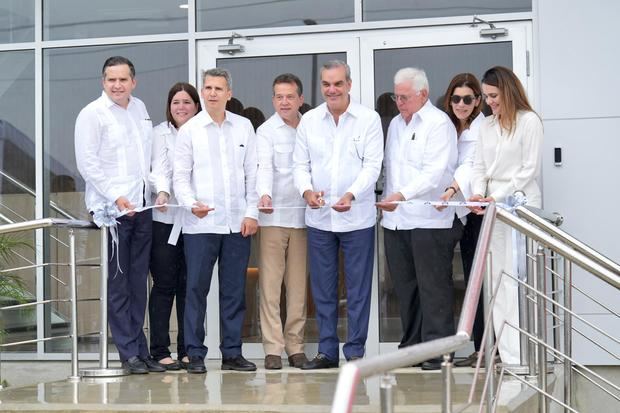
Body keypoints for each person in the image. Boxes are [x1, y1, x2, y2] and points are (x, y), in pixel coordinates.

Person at [74, 56, 164, 374]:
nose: (117, 85)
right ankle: (128, 353)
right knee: (119, 283)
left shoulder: (139, 109)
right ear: (103, 81)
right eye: (111, 79)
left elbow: (145, 160)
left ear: (133, 82)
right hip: (113, 211)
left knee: (139, 283)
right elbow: (88, 163)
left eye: (123, 79)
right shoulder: (92, 115)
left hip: (141, 208)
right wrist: (117, 196)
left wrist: (156, 190)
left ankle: (140, 348)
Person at [293, 60, 383, 369]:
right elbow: (299, 165)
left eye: (338, 83)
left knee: (358, 289)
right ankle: (327, 352)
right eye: (327, 84)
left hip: (356, 217)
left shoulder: (368, 120)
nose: (332, 90)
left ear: (349, 84)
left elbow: (372, 166)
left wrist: (351, 194)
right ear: (321, 86)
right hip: (319, 219)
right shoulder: (309, 121)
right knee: (323, 288)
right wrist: (307, 191)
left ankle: (355, 351)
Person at [173, 68, 258, 374]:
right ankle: (194, 354)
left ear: (228, 93)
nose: (211, 93)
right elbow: (180, 178)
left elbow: (253, 174)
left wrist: (252, 214)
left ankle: (232, 353)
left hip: (237, 225)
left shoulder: (244, 127)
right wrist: (189, 204)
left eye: (218, 88)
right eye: (207, 87)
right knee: (195, 290)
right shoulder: (190, 130)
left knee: (234, 292)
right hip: (201, 225)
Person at [376, 67, 462, 371]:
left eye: (403, 96)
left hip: (429, 219)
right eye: (396, 96)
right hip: (397, 221)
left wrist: (400, 195)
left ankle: (439, 351)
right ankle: (411, 347)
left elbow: (435, 172)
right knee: (405, 288)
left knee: (434, 287)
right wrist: (390, 199)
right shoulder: (397, 124)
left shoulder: (439, 124)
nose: (398, 102)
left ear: (422, 94)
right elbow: (392, 168)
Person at [469, 66, 543, 365]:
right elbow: (478, 166)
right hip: (491, 210)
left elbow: (529, 170)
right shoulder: (485, 125)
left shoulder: (529, 122)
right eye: (486, 97)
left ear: (508, 92)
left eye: (494, 95)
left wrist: (495, 197)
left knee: (518, 280)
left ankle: (526, 355)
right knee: (496, 281)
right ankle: (510, 356)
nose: (489, 102)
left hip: (519, 207)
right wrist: (476, 193)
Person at [256, 73, 309, 370]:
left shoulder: (311, 126)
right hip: (273, 216)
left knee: (298, 287)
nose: (284, 102)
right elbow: (263, 168)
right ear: (273, 99)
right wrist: (263, 195)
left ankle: (295, 346)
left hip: (304, 216)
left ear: (300, 99)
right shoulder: (265, 131)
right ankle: (272, 348)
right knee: (271, 286)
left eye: (290, 96)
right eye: (279, 96)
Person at [147, 82, 201, 370]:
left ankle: (187, 348)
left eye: (187, 102)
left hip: (195, 222)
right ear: (169, 106)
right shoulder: (159, 133)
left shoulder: (202, 132)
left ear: (196, 105)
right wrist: (164, 191)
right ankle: (159, 349)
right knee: (165, 285)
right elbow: (158, 169)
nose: (181, 107)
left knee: (188, 286)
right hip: (165, 220)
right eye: (176, 102)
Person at [437, 73, 487, 367]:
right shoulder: (449, 128)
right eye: (456, 98)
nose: (461, 104)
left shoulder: (482, 129)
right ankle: (476, 347)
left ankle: (482, 348)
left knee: (479, 281)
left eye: (468, 98)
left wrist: (453, 188)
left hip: (475, 212)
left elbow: (471, 165)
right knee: (467, 282)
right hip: (453, 213)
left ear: (478, 100)